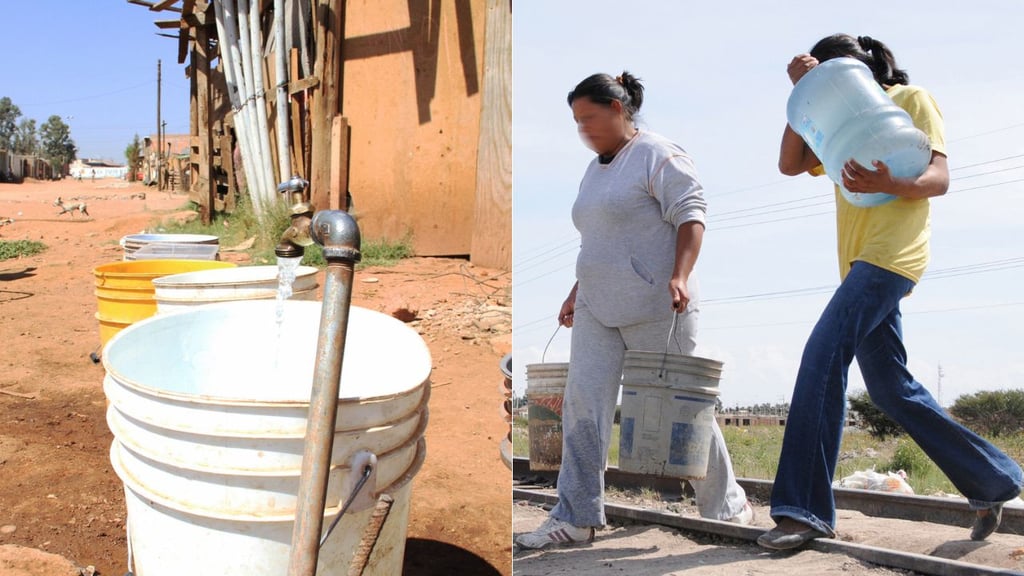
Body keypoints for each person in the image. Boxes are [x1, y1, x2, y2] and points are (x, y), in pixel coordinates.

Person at [757, 34, 1023, 550]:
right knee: (889, 388)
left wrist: (896, 182)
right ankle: (993, 480)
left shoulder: (909, 99)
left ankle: (804, 511)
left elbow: (939, 177)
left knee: (822, 352)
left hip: (893, 255)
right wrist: (805, 94)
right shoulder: (834, 123)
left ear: (860, 68)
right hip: (858, 262)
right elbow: (790, 164)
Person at [515, 71, 753, 550]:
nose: (582, 128)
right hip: (597, 309)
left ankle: (727, 508)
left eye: (590, 117)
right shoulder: (594, 169)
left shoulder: (657, 155)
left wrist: (680, 275)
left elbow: (692, 213)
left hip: (657, 306)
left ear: (618, 109)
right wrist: (576, 290)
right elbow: (601, 240)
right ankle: (576, 517)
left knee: (679, 412)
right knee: (583, 410)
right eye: (576, 121)